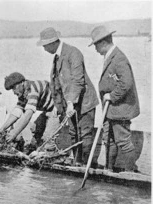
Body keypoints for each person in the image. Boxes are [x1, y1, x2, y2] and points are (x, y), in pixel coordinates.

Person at [37, 27, 99, 166]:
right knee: (73, 133)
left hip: (84, 102)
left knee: (85, 134)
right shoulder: (57, 58)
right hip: (70, 105)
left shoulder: (73, 53)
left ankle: (87, 165)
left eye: (44, 45)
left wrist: (71, 102)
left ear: (52, 43)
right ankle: (77, 163)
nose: (44, 49)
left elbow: (78, 81)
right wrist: (59, 108)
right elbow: (57, 86)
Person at [89, 26, 140, 172]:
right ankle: (108, 170)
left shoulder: (119, 58)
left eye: (96, 45)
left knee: (123, 141)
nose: (95, 49)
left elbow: (126, 83)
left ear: (103, 43)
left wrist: (112, 96)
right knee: (109, 140)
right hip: (110, 109)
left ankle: (131, 174)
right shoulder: (110, 57)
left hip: (120, 108)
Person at [0, 72, 55, 152]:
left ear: (22, 83)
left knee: (48, 137)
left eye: (14, 88)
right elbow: (16, 112)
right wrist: (2, 129)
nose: (14, 92)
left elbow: (28, 114)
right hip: (48, 110)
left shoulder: (33, 89)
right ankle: (38, 153)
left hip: (57, 109)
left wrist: (14, 133)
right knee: (35, 131)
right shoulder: (24, 92)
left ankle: (50, 157)